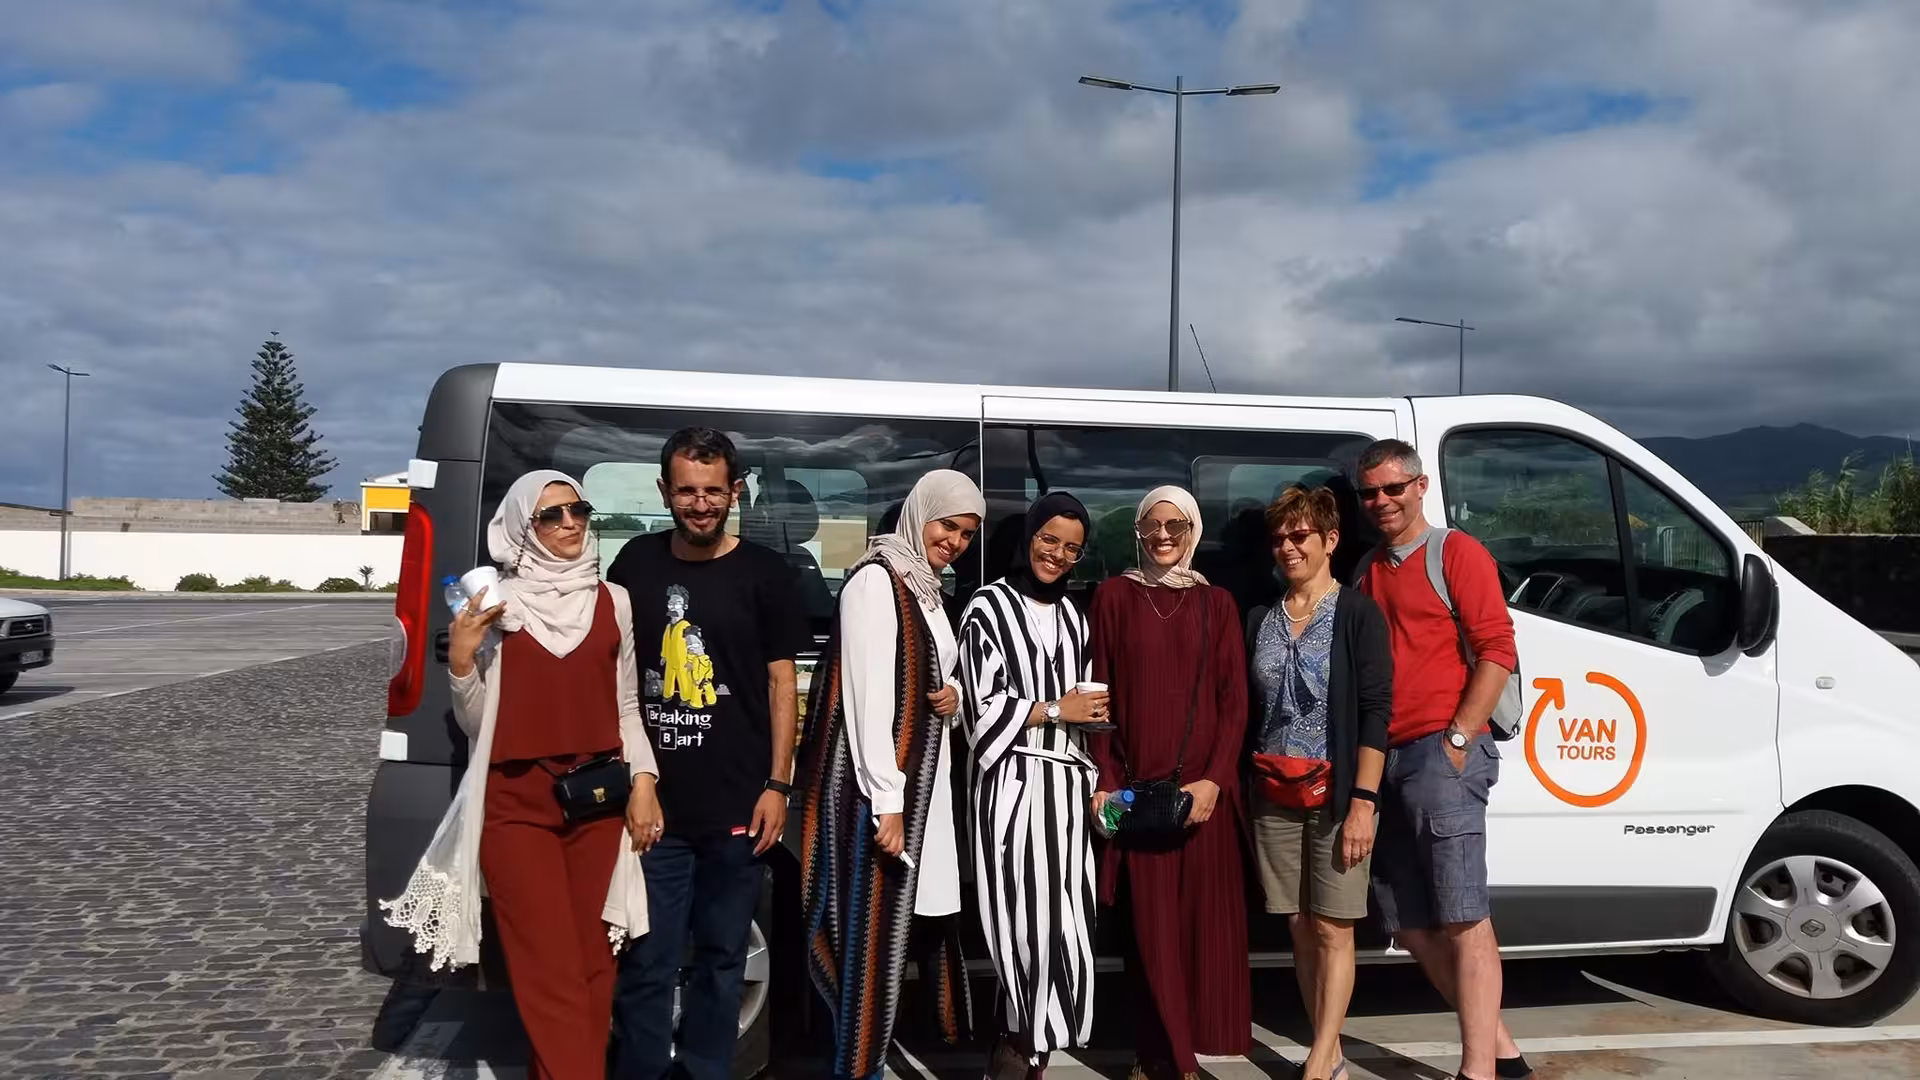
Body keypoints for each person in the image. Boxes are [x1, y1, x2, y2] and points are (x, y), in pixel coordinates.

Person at [382, 469, 663, 1080]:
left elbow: (625, 706)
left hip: (595, 799)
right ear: (521, 528)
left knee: (593, 961)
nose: (569, 524)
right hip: (515, 803)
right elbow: (479, 721)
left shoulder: (613, 599)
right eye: (550, 516)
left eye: (577, 510)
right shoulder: (495, 602)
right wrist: (462, 656)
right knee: (547, 966)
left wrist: (644, 781)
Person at [608, 428, 810, 1080]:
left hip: (738, 810)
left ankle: (706, 1073)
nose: (700, 504)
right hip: (654, 811)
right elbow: (607, 675)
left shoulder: (765, 574)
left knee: (724, 961)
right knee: (647, 962)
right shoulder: (634, 565)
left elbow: (784, 684)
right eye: (687, 491)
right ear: (665, 491)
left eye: (713, 491)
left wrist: (777, 785)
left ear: (735, 491)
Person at [1350, 439, 1532, 1080]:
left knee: (1463, 916)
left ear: (1420, 486)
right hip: (1385, 758)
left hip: (1441, 752)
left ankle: (1476, 1069)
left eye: (1393, 488)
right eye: (1369, 492)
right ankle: (1504, 1053)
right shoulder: (1369, 568)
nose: (1381, 501)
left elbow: (1496, 650)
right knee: (1411, 923)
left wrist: (1458, 738)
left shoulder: (1456, 552)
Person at [796, 468, 985, 1080]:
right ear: (917, 515)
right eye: (947, 525)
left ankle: (865, 1058)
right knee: (867, 938)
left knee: (890, 936)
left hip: (914, 790)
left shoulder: (924, 587)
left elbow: (928, 673)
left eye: (966, 533)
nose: (955, 541)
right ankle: (858, 1067)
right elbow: (868, 699)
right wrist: (889, 801)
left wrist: (953, 694)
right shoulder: (877, 583)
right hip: (878, 796)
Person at [1086, 486, 1251, 1080]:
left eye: (1175, 526)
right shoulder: (1111, 597)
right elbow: (1097, 695)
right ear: (1136, 531)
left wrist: (1214, 781)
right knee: (1150, 935)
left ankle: (1161, 1055)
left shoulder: (1219, 606)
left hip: (1201, 796)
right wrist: (1105, 781)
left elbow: (1234, 705)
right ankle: (1175, 1065)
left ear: (1193, 531)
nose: (1162, 536)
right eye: (1151, 525)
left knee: (1196, 938)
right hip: (1134, 793)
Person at [1243, 486, 1394, 1080]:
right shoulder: (1260, 616)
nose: (1287, 546)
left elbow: (1376, 711)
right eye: (1279, 537)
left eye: (1299, 535)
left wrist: (1363, 801)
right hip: (1274, 792)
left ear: (1330, 539)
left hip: (1337, 794)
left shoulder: (1357, 614)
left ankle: (1318, 1061)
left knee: (1334, 925)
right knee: (1300, 926)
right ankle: (1327, 1052)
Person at [958, 492, 1110, 1080]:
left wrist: (1090, 716)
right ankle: (1021, 1048)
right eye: (1049, 539)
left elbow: (1080, 701)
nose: (1057, 555)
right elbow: (979, 707)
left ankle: (1025, 1051)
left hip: (1068, 787)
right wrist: (1054, 710)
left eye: (1072, 547)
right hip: (1012, 784)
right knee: (1023, 922)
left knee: (1065, 920)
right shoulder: (988, 606)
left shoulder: (1075, 615)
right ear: (1027, 536)